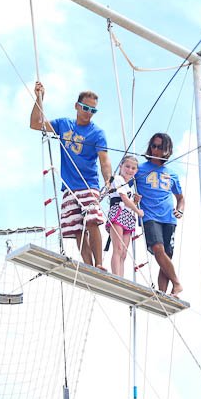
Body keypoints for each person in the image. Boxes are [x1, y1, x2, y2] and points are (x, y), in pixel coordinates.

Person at [30, 82, 112, 269]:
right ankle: (89, 265)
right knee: (77, 230)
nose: (88, 112)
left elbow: (104, 160)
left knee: (92, 221)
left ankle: (99, 263)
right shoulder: (63, 124)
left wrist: (108, 179)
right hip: (68, 187)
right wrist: (39, 98)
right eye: (85, 107)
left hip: (88, 184)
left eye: (93, 110)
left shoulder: (98, 133)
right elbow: (35, 124)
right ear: (76, 106)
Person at [136, 132, 185, 296]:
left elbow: (181, 198)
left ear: (167, 150)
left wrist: (180, 210)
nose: (155, 150)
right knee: (158, 249)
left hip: (169, 218)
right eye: (153, 146)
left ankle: (163, 292)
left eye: (159, 147)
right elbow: (124, 183)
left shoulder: (172, 174)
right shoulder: (139, 169)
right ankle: (177, 283)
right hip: (149, 215)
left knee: (166, 255)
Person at [104, 155, 143, 276]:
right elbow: (124, 199)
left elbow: (128, 202)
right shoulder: (117, 179)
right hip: (118, 212)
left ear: (136, 171)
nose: (129, 170)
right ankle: (116, 276)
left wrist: (135, 202)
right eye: (127, 166)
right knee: (118, 248)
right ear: (121, 166)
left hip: (128, 216)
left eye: (133, 168)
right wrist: (138, 210)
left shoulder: (128, 187)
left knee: (124, 252)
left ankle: (121, 276)